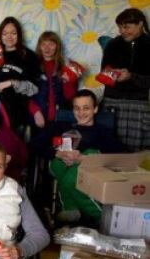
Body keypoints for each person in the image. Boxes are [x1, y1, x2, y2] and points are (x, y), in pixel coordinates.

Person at [42, 90, 125, 227]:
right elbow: (35, 144)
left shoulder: (102, 131)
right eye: (77, 108)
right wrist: (58, 154)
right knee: (56, 164)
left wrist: (83, 158)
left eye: (86, 108)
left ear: (95, 109)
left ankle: (94, 215)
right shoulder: (61, 126)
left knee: (72, 177)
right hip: (62, 163)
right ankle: (73, 209)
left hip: (89, 167)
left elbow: (121, 154)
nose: (81, 113)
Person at [99, 8, 150, 150]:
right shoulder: (112, 45)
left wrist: (131, 77)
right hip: (112, 104)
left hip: (139, 107)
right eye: (120, 27)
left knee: (137, 155)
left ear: (140, 24)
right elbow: (104, 74)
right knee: (110, 150)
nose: (122, 31)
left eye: (127, 26)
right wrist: (110, 75)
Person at [0, 17, 40, 128]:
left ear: (19, 35)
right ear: (0, 36)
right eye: (5, 33)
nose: (9, 37)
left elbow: (34, 89)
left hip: (17, 112)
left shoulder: (29, 56)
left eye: (13, 33)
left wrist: (11, 83)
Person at [29, 31, 78, 129]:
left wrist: (67, 81)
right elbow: (25, 94)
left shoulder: (68, 66)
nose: (47, 48)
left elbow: (70, 97)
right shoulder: (32, 66)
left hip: (62, 118)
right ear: (39, 46)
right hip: (39, 118)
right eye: (43, 44)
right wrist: (35, 111)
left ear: (57, 46)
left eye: (51, 44)